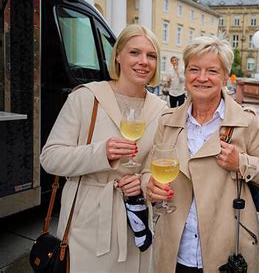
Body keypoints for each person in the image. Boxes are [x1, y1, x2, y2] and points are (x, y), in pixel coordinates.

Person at [145, 36, 259, 272]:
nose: (201, 78)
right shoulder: (167, 121)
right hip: (176, 246)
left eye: (212, 71)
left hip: (227, 248)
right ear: (186, 73)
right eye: (194, 69)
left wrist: (241, 162)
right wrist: (149, 184)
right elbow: (150, 169)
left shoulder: (245, 121)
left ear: (224, 77)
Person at [40, 24, 167, 272]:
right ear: (118, 55)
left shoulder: (161, 110)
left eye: (151, 56)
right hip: (87, 218)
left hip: (134, 219)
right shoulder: (86, 97)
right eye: (134, 53)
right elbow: (50, 158)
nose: (143, 62)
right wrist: (102, 153)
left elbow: (157, 165)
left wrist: (143, 181)